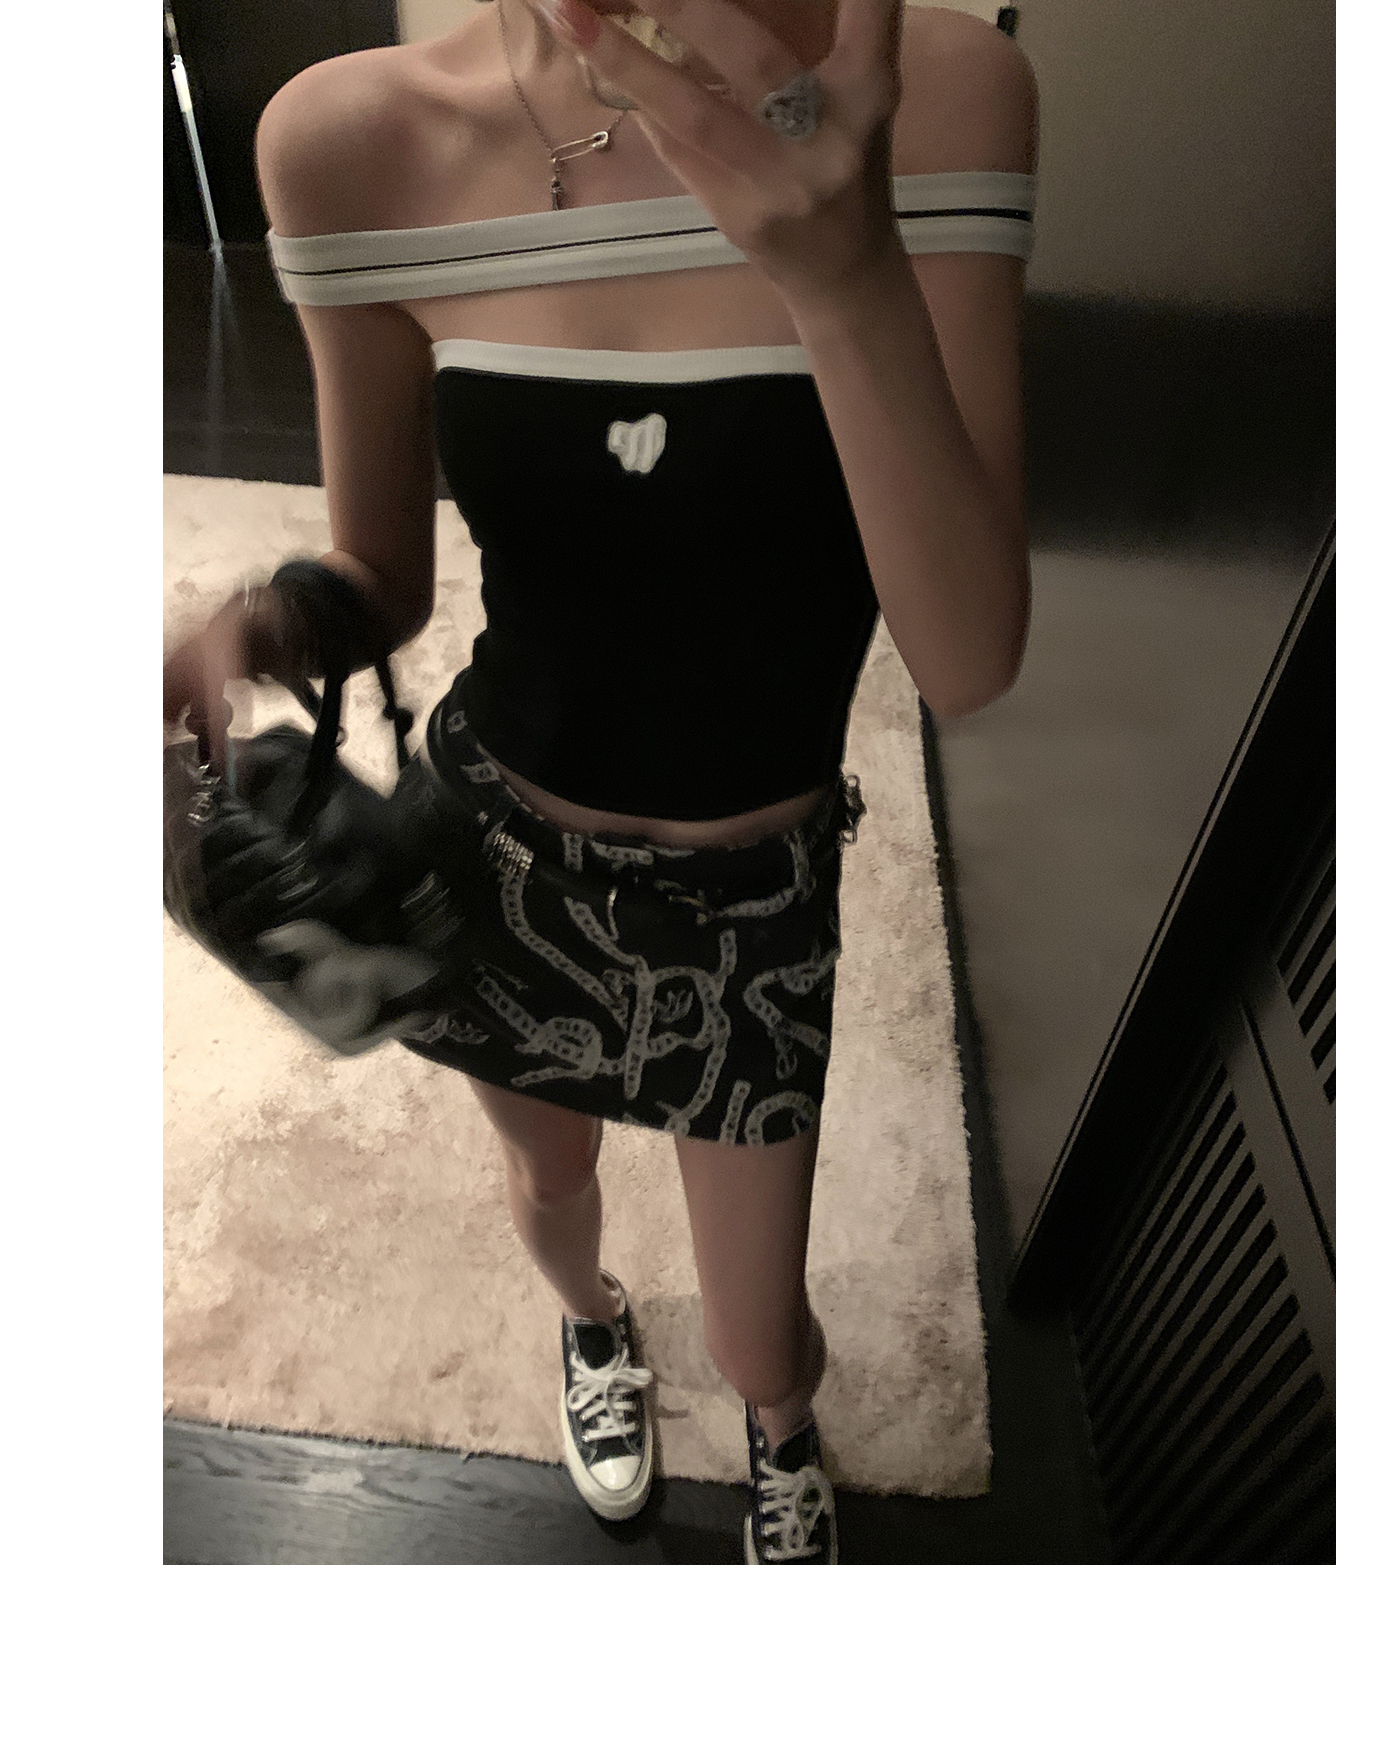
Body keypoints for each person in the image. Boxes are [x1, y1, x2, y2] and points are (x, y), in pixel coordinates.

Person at [162, 0, 1038, 1564]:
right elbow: (381, 576)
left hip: (753, 897)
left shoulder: (941, 91)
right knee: (547, 1177)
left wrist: (845, 275)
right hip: (497, 853)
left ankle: (779, 1425)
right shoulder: (351, 140)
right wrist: (252, 626)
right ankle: (593, 1327)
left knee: (764, 1330)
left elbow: (966, 658)